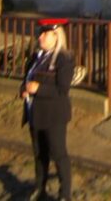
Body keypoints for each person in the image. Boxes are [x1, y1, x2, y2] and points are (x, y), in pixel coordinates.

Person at [21, 18, 75, 201]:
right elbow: (27, 78)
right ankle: (40, 187)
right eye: (40, 33)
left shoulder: (63, 59)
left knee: (59, 154)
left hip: (54, 115)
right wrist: (23, 90)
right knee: (39, 154)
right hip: (35, 113)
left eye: (45, 33)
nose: (40, 37)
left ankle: (65, 194)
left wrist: (38, 89)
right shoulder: (37, 57)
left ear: (56, 35)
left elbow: (62, 89)